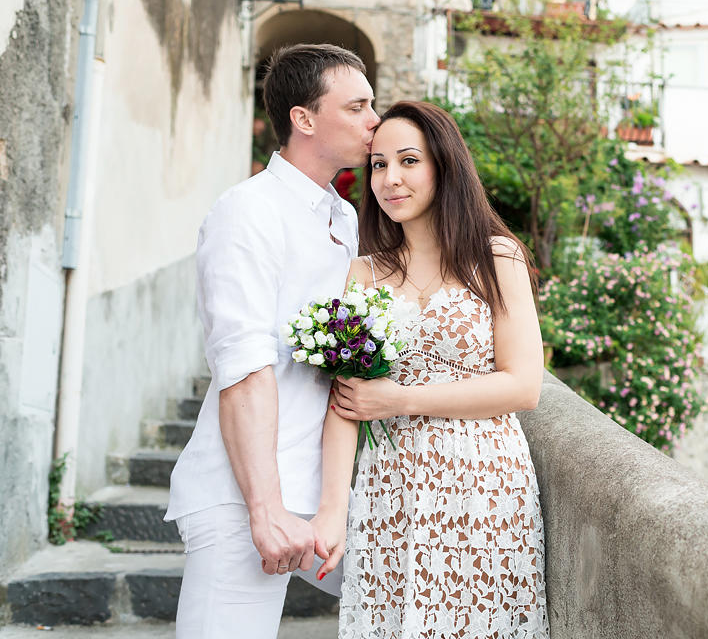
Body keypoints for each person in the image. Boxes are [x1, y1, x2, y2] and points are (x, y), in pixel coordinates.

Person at [310, 101, 549, 638]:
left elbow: (523, 385)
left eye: (408, 161)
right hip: (388, 488)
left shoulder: (497, 258)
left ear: (443, 165)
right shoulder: (361, 275)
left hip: (484, 485)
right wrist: (332, 511)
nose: (390, 179)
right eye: (377, 164)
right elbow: (345, 404)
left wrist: (400, 400)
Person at [165, 43, 379, 638]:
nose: (374, 121)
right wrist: (266, 508)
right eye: (357, 106)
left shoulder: (343, 216)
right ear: (303, 119)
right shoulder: (247, 212)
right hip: (247, 495)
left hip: (319, 491)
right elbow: (243, 370)